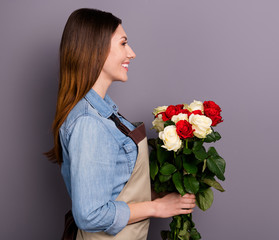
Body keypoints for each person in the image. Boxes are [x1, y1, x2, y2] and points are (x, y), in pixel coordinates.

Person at [45, 8, 196, 240]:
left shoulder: (105, 112)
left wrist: (156, 195)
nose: (132, 53)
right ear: (96, 50)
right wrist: (156, 208)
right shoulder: (89, 123)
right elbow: (90, 214)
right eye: (123, 43)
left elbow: (114, 185)